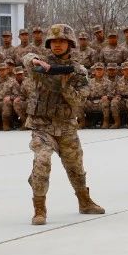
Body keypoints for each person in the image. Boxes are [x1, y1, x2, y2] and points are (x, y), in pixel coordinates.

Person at [22, 24, 105, 225]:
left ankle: (84, 201)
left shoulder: (78, 71)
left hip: (66, 125)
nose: (57, 45)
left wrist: (65, 85)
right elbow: (27, 59)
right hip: (42, 125)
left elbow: (78, 101)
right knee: (42, 161)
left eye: (62, 41)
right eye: (54, 41)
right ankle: (39, 209)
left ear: (70, 44)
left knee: (75, 167)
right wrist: (34, 60)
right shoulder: (41, 65)